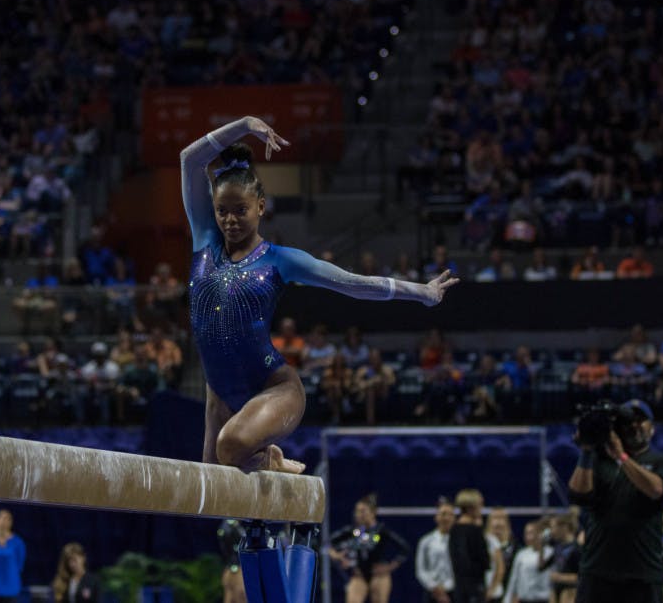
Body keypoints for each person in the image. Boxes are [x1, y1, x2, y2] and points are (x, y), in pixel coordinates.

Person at [180, 116, 458, 472]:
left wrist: (422, 291)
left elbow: (352, 283)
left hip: (275, 390)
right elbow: (191, 159)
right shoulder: (205, 240)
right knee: (212, 494)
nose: (230, 220)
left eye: (241, 210)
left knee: (230, 447)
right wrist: (244, 124)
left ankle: (270, 457)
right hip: (219, 394)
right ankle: (264, 466)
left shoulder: (280, 260)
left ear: (261, 207)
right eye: (222, 211)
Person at [569, 399, 663, 602]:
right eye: (629, 420)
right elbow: (578, 495)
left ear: (652, 429)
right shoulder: (600, 459)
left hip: (643, 573)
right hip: (597, 571)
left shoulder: (662, 461)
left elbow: (656, 490)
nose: (635, 425)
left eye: (641, 420)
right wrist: (586, 452)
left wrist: (621, 456)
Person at [328, 494, 409, 603]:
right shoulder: (353, 530)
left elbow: (405, 548)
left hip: (379, 576)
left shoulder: (381, 530)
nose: (358, 515)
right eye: (357, 511)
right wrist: (337, 556)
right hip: (359, 575)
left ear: (373, 512)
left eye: (362, 511)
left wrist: (390, 566)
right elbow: (328, 543)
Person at [449, 489, 491, 603]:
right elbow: (485, 561)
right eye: (480, 505)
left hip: (459, 586)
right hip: (474, 587)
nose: (482, 509)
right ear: (471, 507)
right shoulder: (475, 531)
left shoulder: (454, 530)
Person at [502, 521, 552, 603]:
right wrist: (507, 600)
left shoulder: (550, 552)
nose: (528, 537)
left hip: (543, 600)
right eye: (526, 533)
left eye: (532, 533)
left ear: (540, 534)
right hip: (524, 600)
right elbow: (513, 579)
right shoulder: (521, 554)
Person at [417, 499, 456, 603]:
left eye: (450, 515)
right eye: (443, 514)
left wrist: (448, 586)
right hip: (432, 593)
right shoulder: (426, 541)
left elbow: (463, 568)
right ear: (436, 517)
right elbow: (421, 569)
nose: (446, 518)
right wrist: (434, 587)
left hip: (455, 592)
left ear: (454, 518)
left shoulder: (460, 541)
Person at [544, 515, 580, 603]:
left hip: (569, 593)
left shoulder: (576, 549)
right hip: (555, 592)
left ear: (564, 527)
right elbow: (541, 566)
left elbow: (581, 577)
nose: (551, 532)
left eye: (553, 527)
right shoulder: (557, 546)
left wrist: (560, 577)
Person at [485, 509, 518, 603]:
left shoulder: (515, 548)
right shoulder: (482, 546)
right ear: (489, 523)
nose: (498, 523)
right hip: (487, 595)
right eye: (495, 518)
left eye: (501, 518)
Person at [218, 520, 248, 603]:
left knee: (238, 594)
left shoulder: (235, 527)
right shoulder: (228, 526)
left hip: (234, 568)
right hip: (235, 569)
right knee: (237, 594)